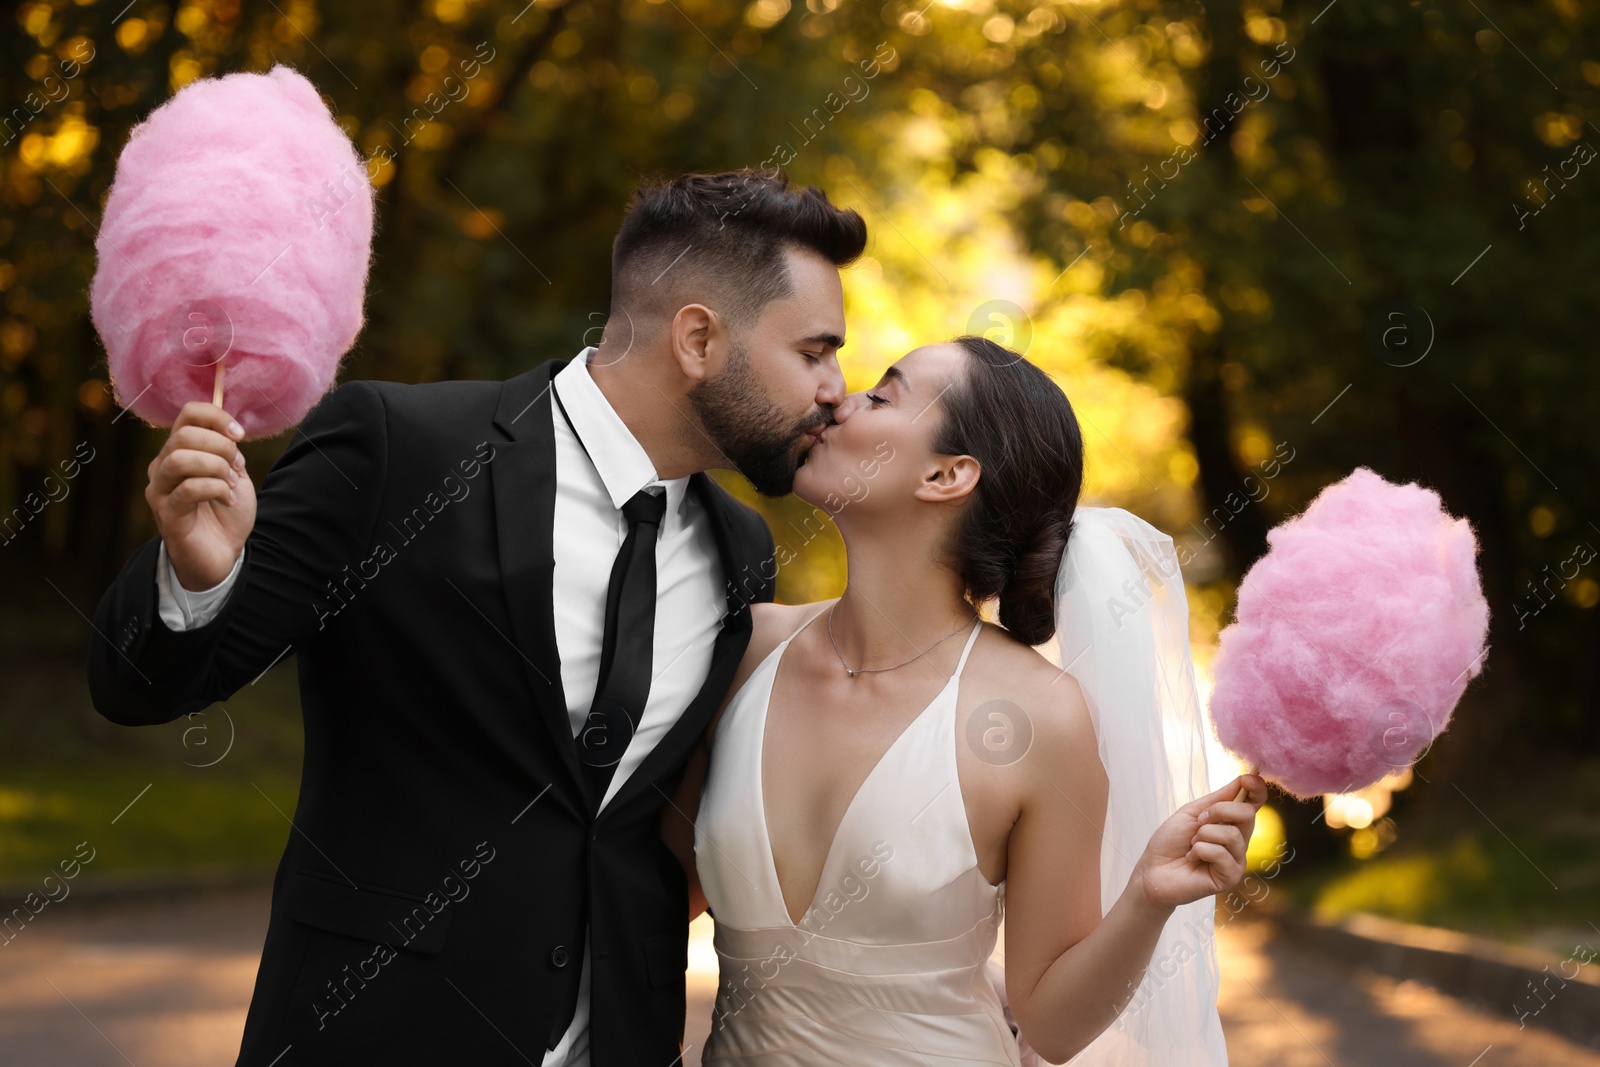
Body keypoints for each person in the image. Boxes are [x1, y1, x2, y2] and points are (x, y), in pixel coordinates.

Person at [85, 168, 866, 1065]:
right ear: (697, 338)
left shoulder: (741, 550)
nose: (835, 389)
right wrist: (195, 576)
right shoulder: (399, 449)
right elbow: (137, 687)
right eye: (815, 352)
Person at [669, 335, 1267, 1064]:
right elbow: (658, 896)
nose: (836, 399)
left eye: (882, 395)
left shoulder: (1040, 715)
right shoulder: (745, 651)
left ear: (947, 474)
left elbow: (1048, 1022)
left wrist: (1148, 896)